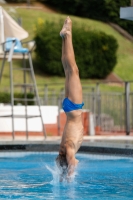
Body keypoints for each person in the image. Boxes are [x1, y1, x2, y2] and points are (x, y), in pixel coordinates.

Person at [56, 16, 84, 181]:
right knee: (68, 69)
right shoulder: (64, 146)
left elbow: (74, 161)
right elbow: (68, 160)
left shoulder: (69, 147)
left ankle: (68, 33)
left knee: (73, 70)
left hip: (74, 108)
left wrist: (69, 176)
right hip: (69, 109)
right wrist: (63, 175)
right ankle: (65, 35)